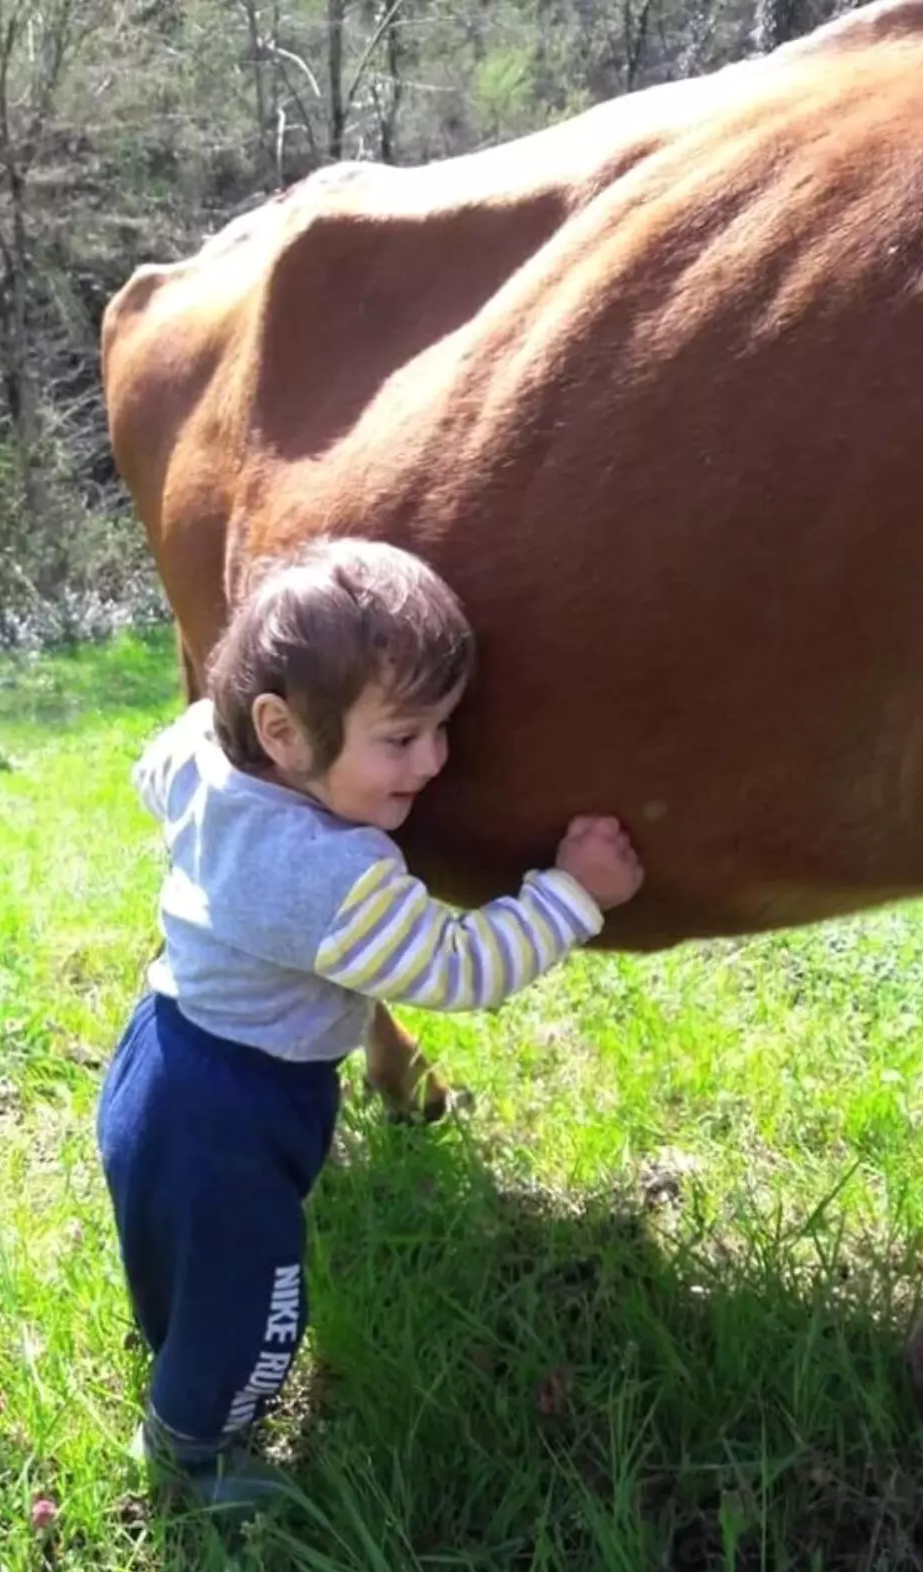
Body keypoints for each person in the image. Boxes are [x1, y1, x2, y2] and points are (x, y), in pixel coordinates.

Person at [97, 536, 644, 1515]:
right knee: (255, 1303)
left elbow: (154, 768)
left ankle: (177, 1352)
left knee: (180, 1254)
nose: (434, 760)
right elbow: (461, 967)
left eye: (442, 728)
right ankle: (189, 1449)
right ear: (281, 729)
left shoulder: (198, 751)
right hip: (237, 1105)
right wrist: (573, 894)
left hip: (158, 1050)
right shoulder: (334, 877)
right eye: (401, 737)